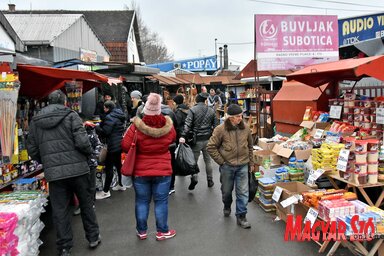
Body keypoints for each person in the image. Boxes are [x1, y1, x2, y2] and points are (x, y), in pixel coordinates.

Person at [26, 90, 101, 255]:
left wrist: (46, 161)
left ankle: (65, 247)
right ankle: (93, 237)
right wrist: (88, 154)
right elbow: (83, 142)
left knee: (60, 211)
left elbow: (31, 148)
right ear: (64, 101)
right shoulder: (71, 116)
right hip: (78, 170)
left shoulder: (36, 121)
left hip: (54, 174)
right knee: (86, 204)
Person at [121, 93, 177, 241]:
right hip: (163, 170)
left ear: (145, 110)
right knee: (161, 201)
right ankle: (162, 231)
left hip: (140, 171)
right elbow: (172, 138)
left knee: (141, 201)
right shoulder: (168, 126)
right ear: (159, 110)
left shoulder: (136, 127)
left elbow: (125, 146)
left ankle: (142, 231)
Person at [206, 104, 254, 229]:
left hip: (243, 165)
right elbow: (211, 147)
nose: (240, 118)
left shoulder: (246, 128)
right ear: (230, 118)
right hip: (227, 166)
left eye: (241, 115)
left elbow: (250, 147)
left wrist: (251, 164)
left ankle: (241, 216)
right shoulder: (220, 129)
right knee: (226, 191)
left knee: (243, 192)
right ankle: (227, 205)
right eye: (237, 116)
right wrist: (222, 162)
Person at [179, 92, 218, 190]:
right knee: (208, 160)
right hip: (208, 139)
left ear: (197, 100)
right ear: (205, 100)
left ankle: (194, 177)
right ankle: (210, 180)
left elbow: (187, 124)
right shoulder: (211, 110)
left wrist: (183, 135)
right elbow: (216, 126)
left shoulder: (192, 110)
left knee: (194, 160)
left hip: (196, 139)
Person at [95, 100, 126, 199]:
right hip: (119, 144)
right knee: (118, 165)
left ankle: (106, 191)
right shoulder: (119, 115)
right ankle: (121, 184)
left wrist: (97, 128)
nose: (103, 109)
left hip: (112, 145)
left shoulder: (109, 117)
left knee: (109, 168)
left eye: (104, 108)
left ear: (108, 108)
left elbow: (106, 132)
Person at [73, 119, 102, 216]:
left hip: (88, 163)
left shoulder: (91, 135)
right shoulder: (77, 135)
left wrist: (93, 155)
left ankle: (89, 205)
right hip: (84, 164)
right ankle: (86, 205)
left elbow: (98, 146)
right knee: (86, 186)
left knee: (89, 186)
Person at [169, 94, 189, 194]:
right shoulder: (188, 109)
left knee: (178, 153)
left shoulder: (177, 111)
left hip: (180, 135)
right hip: (187, 133)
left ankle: (181, 168)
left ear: (176, 102)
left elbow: (176, 123)